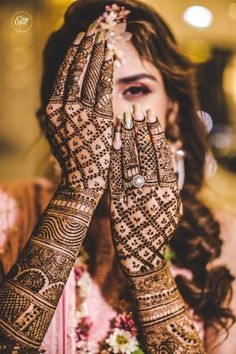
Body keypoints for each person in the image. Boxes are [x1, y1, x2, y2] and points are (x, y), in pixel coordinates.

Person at [0, 0, 235, 353]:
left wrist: (150, 273)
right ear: (56, 115)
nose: (110, 114)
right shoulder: (7, 212)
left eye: (135, 90)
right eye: (89, 95)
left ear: (172, 109)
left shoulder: (221, 238)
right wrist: (78, 193)